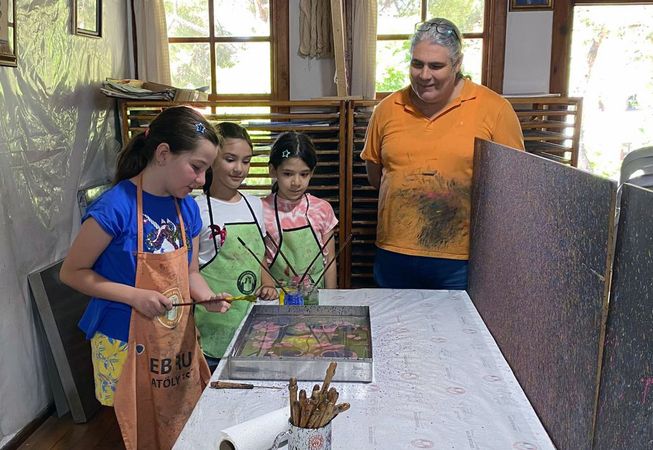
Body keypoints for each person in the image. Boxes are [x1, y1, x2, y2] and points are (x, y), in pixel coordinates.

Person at [59, 106, 231, 450]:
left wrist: (206, 295)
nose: (201, 180)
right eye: (196, 168)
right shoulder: (116, 206)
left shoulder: (188, 208)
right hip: (120, 340)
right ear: (163, 153)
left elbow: (190, 272)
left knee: (173, 422)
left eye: (205, 171)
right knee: (129, 427)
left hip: (171, 341)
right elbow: (72, 273)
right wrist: (134, 296)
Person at [361, 17, 524, 290]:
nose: (424, 75)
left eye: (436, 66)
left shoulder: (495, 110)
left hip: (461, 259)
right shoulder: (386, 110)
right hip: (395, 254)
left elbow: (512, 186)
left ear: (457, 64)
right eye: (417, 64)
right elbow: (376, 176)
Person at [194, 122, 277, 368]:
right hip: (212, 325)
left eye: (246, 161)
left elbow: (257, 254)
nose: (239, 169)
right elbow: (187, 273)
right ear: (211, 159)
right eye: (230, 159)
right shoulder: (197, 208)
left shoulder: (254, 205)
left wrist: (268, 282)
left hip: (254, 323)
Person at [262, 131, 338, 290]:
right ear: (273, 170)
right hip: (278, 301)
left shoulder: (322, 209)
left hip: (316, 300)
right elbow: (259, 259)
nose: (296, 182)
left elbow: (330, 260)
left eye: (304, 174)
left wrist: (332, 298)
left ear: (312, 172)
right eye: (288, 174)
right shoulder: (261, 210)